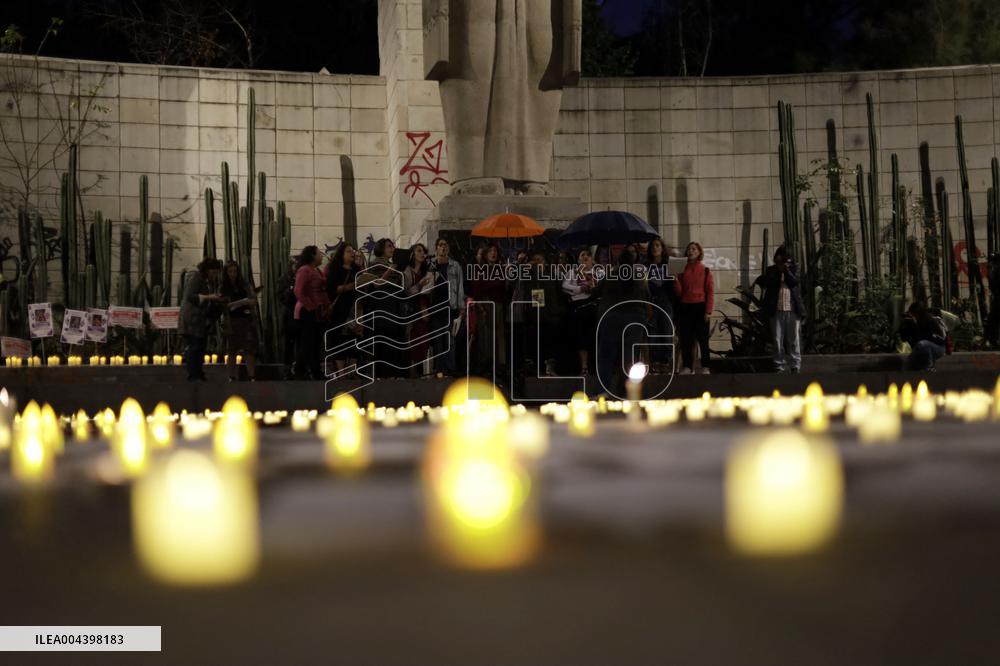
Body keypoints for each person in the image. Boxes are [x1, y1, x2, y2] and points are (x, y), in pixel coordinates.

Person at [593, 249, 651, 397]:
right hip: (635, 320)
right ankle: (626, 393)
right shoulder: (639, 277)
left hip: (610, 318)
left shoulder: (611, 274)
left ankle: (602, 391)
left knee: (606, 356)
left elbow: (595, 292)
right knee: (629, 358)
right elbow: (647, 297)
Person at [754, 246, 805, 373]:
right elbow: (770, 284)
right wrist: (779, 271)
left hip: (792, 309)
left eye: (785, 257)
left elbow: (794, 282)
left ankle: (795, 365)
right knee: (777, 339)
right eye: (780, 257)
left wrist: (786, 271)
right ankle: (779, 365)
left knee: (793, 339)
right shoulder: (771, 270)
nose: (782, 260)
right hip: (776, 309)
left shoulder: (794, 268)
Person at [357, 238, 404, 378]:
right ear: (381, 249)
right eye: (389, 246)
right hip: (380, 306)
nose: (392, 249)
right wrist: (390, 271)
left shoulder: (392, 265)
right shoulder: (375, 265)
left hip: (393, 305)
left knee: (393, 342)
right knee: (382, 342)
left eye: (393, 246)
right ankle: (381, 374)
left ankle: (393, 373)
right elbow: (376, 284)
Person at [514, 250, 564, 377]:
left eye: (540, 260)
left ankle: (550, 367)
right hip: (535, 314)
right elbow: (516, 280)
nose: (538, 263)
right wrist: (521, 264)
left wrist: (558, 309)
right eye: (535, 260)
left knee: (550, 341)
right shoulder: (529, 275)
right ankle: (535, 367)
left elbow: (558, 291)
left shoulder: (550, 274)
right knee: (535, 341)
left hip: (551, 313)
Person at [179, 257, 223, 382]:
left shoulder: (203, 280)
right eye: (213, 273)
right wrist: (210, 297)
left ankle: (198, 372)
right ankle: (193, 375)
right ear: (207, 270)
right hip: (192, 319)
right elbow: (190, 296)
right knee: (195, 347)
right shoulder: (196, 278)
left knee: (200, 347)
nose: (214, 276)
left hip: (199, 320)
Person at [674, 241, 714, 375]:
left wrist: (708, 311)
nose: (691, 251)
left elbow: (710, 292)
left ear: (699, 253)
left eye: (694, 249)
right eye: (689, 249)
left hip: (700, 306)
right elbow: (679, 293)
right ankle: (687, 366)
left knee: (703, 339)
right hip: (685, 306)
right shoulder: (681, 270)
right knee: (686, 338)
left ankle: (705, 367)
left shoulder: (705, 270)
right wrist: (675, 279)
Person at [470, 243, 510, 378]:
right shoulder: (480, 269)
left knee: (499, 335)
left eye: (495, 251)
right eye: (491, 251)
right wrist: (481, 307)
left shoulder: (501, 269)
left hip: (498, 305)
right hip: (485, 304)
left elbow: (505, 289)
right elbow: (477, 290)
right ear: (486, 254)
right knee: (486, 336)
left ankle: (500, 365)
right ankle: (486, 363)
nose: (493, 253)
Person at [429, 237, 465, 376]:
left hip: (450, 306)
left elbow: (460, 286)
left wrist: (461, 307)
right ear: (436, 248)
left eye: (445, 245)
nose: (443, 248)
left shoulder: (455, 265)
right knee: (438, 338)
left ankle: (450, 367)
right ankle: (439, 368)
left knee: (449, 339)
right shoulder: (432, 265)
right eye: (440, 245)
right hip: (436, 306)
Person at [293, 245, 330, 380]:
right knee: (307, 342)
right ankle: (302, 371)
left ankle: (314, 371)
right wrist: (310, 306)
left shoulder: (317, 271)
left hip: (317, 311)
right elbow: (298, 291)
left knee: (315, 342)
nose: (322, 256)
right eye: (319, 253)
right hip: (306, 311)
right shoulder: (304, 270)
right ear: (313, 256)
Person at [326, 243, 363, 374]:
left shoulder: (357, 270)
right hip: (340, 310)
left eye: (353, 250)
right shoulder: (335, 269)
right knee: (340, 339)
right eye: (348, 251)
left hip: (355, 307)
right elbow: (330, 289)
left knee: (355, 338)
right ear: (341, 254)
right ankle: (341, 372)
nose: (352, 253)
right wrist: (346, 287)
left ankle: (353, 370)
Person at [219, 260, 259, 382]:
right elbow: (223, 305)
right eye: (230, 271)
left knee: (248, 348)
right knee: (232, 349)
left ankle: (251, 376)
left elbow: (252, 300)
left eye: (235, 271)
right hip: (231, 320)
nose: (233, 274)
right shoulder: (223, 287)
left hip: (246, 319)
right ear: (226, 273)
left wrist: (239, 303)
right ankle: (231, 376)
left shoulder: (244, 284)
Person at [561, 247, 598, 375]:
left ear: (592, 260)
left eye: (588, 255)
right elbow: (564, 286)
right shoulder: (573, 272)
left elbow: (603, 285)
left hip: (593, 305)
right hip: (578, 306)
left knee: (593, 336)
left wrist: (593, 286)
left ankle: (594, 365)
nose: (585, 257)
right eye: (582, 255)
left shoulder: (598, 271)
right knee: (580, 336)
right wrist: (579, 289)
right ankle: (583, 366)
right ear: (578, 259)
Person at [645, 237, 677, 373]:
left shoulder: (668, 264)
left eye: (658, 245)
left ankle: (666, 361)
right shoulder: (645, 266)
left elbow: (674, 286)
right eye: (653, 245)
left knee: (666, 330)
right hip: (651, 300)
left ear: (662, 248)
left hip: (666, 300)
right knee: (653, 332)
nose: (655, 248)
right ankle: (655, 361)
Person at [402, 243, 435, 377]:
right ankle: (412, 374)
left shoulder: (426, 271)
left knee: (423, 342)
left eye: (424, 251)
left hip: (424, 309)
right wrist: (419, 285)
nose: (422, 254)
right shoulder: (407, 271)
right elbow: (406, 292)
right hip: (412, 311)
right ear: (412, 254)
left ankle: (421, 373)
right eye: (419, 251)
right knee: (413, 342)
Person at [900, 302, 947, 371]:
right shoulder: (912, 323)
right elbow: (903, 339)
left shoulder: (930, 320)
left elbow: (928, 338)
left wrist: (916, 326)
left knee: (923, 344)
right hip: (921, 348)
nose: (913, 317)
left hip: (939, 347)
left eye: (914, 315)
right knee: (905, 367)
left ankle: (929, 366)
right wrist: (905, 326)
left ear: (918, 314)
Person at [276, 258, 298, 379]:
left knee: (300, 344)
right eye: (294, 266)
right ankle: (287, 370)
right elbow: (281, 297)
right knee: (288, 345)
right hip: (289, 316)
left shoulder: (300, 277)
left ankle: (299, 368)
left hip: (300, 315)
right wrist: (290, 290)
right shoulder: (284, 279)